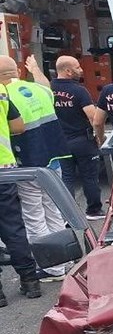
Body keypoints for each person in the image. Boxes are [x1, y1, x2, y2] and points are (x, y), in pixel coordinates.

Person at [1, 56, 70, 279]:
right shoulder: (38, 89)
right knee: (54, 212)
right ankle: (64, 261)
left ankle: (50, 267)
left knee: (34, 217)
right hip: (53, 161)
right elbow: (47, 88)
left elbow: (14, 128)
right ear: (17, 70)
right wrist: (36, 70)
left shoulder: (5, 95)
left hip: (27, 164)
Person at [0, 80, 41, 304]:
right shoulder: (1, 91)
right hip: (3, 169)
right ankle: (30, 280)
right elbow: (18, 126)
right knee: (13, 227)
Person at [52, 55, 107, 220]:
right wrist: (100, 137)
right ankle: (94, 210)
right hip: (82, 140)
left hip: (60, 141)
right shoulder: (79, 90)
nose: (81, 70)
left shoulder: (49, 88)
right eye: (77, 67)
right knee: (89, 176)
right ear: (68, 71)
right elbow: (93, 117)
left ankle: (67, 214)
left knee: (67, 177)